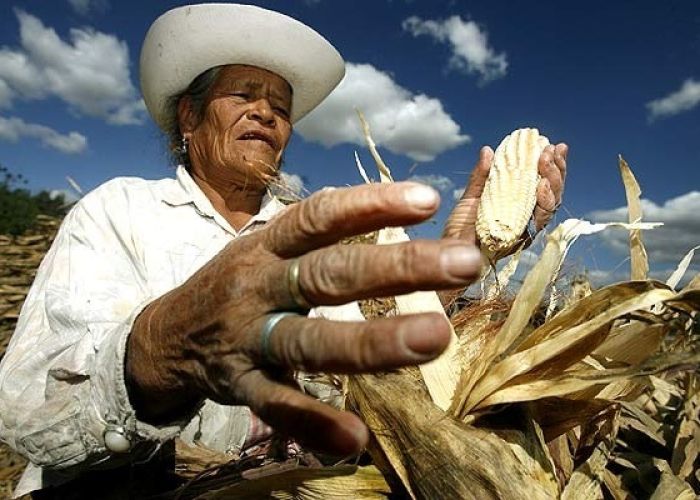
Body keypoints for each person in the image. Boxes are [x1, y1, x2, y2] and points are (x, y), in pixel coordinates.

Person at [0, 4, 567, 497]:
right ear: (190, 118)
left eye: (280, 106)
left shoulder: (315, 237)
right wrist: (163, 347)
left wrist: (473, 245)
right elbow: (24, 406)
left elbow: (385, 347)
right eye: (243, 95)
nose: (266, 113)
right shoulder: (119, 211)